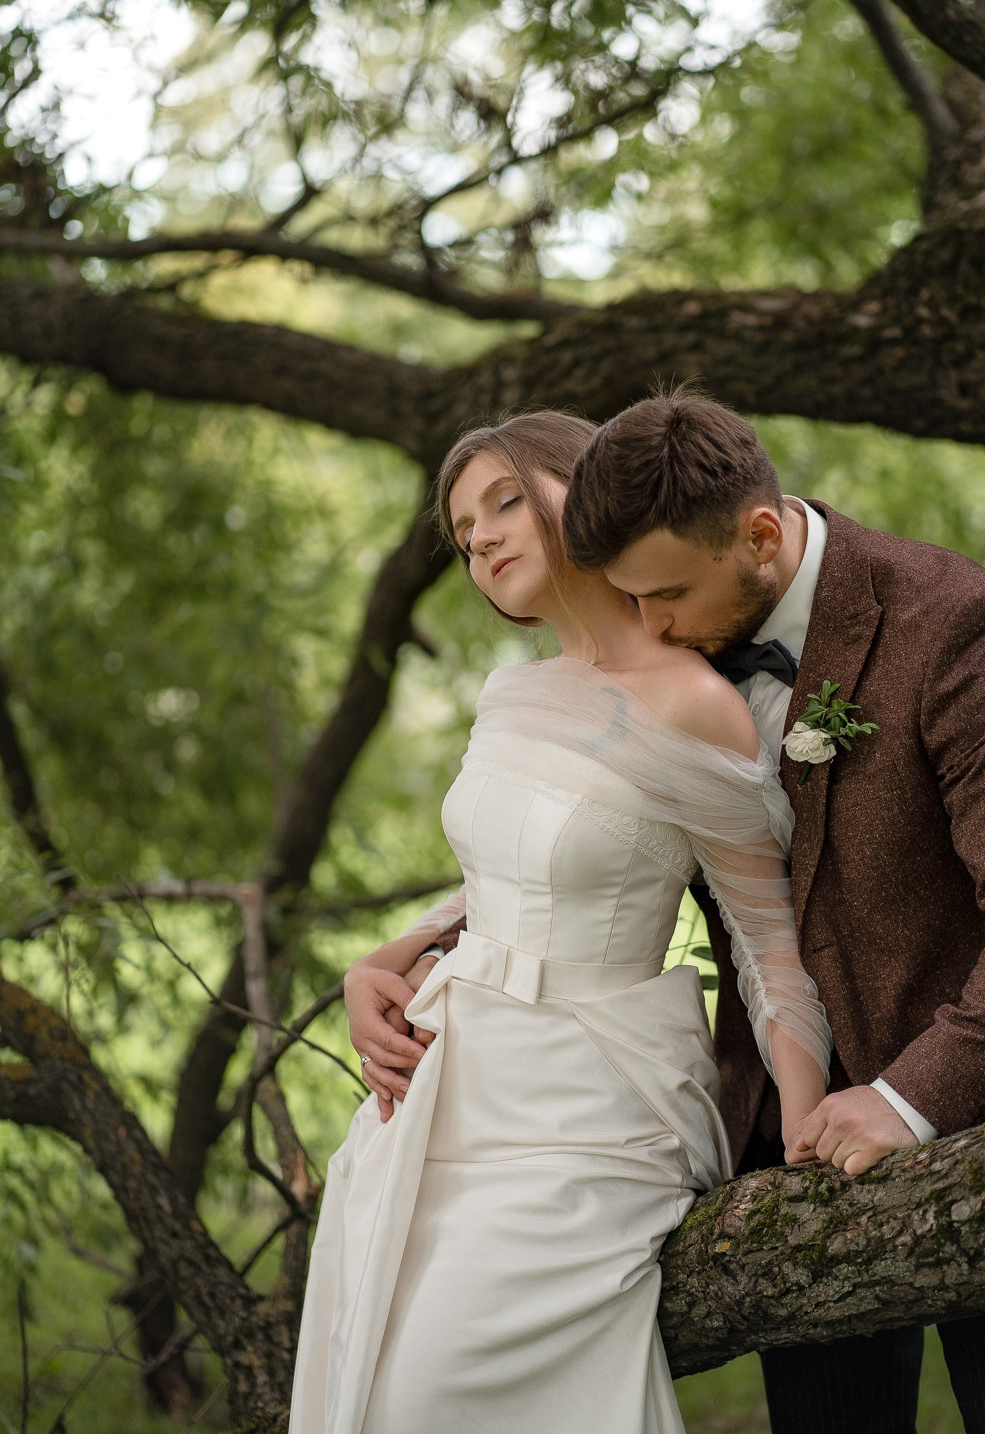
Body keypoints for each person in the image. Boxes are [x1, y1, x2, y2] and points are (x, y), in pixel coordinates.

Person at [289, 410, 832, 1434]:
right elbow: (503, 870)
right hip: (449, 1078)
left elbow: (765, 947)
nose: (482, 537)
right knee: (365, 1358)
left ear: (579, 494)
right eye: (462, 531)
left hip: (590, 1110)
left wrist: (803, 1126)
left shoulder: (695, 703)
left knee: (429, 1389)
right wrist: (387, 954)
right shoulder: (514, 693)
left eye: (503, 501)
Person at [557, 391, 985, 1434]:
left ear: (760, 534)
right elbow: (570, 856)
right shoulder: (667, 662)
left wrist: (907, 1100)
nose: (651, 628)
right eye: (630, 600)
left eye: (668, 593)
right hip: (790, 1164)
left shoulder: (950, 622)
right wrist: (416, 950)